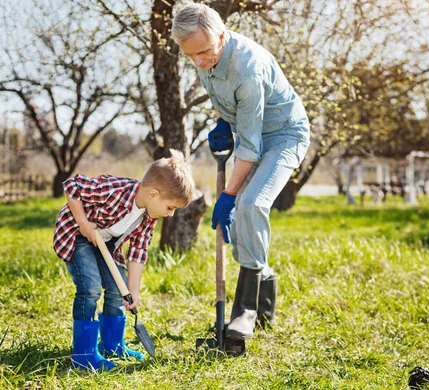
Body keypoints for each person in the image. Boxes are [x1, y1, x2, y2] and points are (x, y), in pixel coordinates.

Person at [172, 4, 310, 341]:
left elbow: (249, 146)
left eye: (204, 52)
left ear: (222, 36)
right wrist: (222, 121)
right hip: (253, 132)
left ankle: (244, 312)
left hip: (283, 135)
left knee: (250, 205)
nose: (200, 63)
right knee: (243, 224)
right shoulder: (203, 54)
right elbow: (221, 96)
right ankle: (262, 308)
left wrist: (229, 195)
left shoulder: (248, 68)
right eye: (191, 56)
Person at [53, 149, 195, 371]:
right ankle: (83, 354)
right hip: (78, 234)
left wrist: (133, 290)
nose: (170, 214)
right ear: (153, 194)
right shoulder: (114, 190)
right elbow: (72, 186)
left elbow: (138, 251)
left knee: (117, 288)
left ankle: (112, 345)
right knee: (90, 287)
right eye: (170, 207)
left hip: (105, 242)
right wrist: (83, 222)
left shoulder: (149, 216)